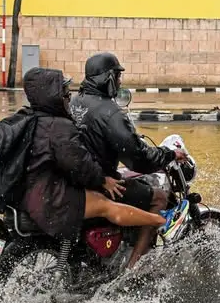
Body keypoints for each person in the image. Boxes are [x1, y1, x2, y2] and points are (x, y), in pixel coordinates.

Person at [18, 67, 177, 242]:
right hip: (54, 194)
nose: (68, 97)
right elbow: (79, 161)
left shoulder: (29, 118)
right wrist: (103, 180)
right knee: (144, 200)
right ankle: (140, 256)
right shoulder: (60, 125)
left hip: (38, 189)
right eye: (64, 94)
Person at [69, 52, 186, 269]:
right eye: (117, 76)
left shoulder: (76, 102)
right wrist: (168, 154)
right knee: (158, 198)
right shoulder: (110, 112)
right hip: (101, 182)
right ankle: (134, 267)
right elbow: (138, 160)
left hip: (78, 178)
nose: (120, 81)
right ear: (107, 78)